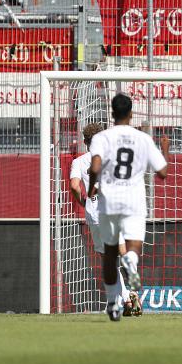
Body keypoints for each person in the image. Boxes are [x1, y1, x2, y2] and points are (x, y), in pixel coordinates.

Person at [88, 94, 168, 321]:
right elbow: (162, 172)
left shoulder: (101, 137)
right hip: (135, 201)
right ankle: (131, 261)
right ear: (131, 114)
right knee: (132, 248)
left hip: (110, 201)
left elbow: (95, 167)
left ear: (112, 113)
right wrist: (165, 149)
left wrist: (92, 187)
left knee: (109, 254)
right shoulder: (143, 139)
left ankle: (113, 304)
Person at [69, 123, 140, 317]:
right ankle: (132, 289)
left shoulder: (79, 162)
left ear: (85, 141)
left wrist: (82, 201)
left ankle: (126, 299)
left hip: (94, 215)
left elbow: (74, 186)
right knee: (123, 250)